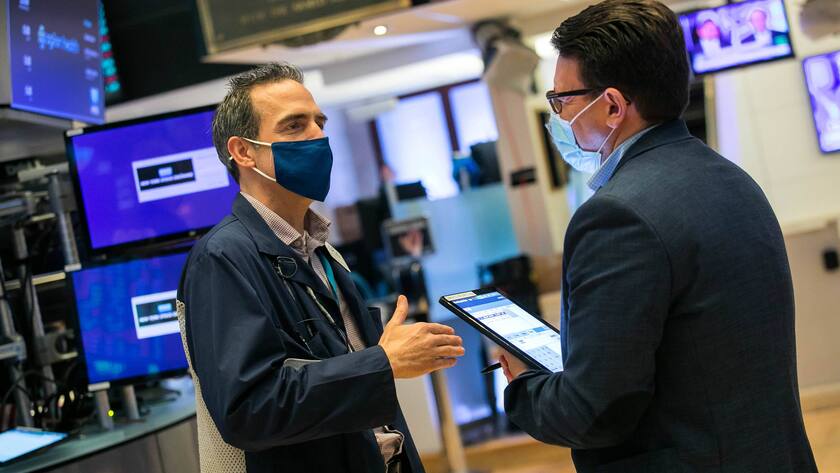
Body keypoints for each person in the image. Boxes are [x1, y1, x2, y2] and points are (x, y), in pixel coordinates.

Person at [499, 1, 818, 471]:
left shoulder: (615, 216)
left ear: (611, 106)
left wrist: (524, 382)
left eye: (562, 100)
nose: (559, 117)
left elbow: (593, 412)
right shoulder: (731, 178)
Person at [177, 62, 464, 473]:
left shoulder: (322, 250)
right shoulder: (222, 258)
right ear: (243, 151)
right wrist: (382, 363)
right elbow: (248, 409)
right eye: (294, 126)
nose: (317, 136)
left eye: (318, 122)